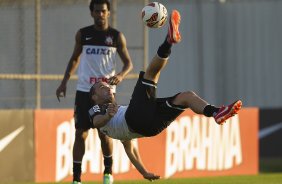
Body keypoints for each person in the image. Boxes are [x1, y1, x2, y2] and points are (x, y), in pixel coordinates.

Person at [88, 10, 242, 182]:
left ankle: (215, 112)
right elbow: (96, 122)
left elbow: (130, 151)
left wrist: (144, 172)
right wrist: (107, 115)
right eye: (101, 87)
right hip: (135, 119)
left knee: (186, 97)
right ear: (94, 97)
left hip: (149, 128)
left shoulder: (115, 121)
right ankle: (169, 41)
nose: (106, 86)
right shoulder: (99, 110)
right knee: (150, 74)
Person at [56, 0, 133, 183]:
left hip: (106, 93)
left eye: (103, 11)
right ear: (92, 13)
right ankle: (76, 178)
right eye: (97, 11)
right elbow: (74, 58)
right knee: (80, 132)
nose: (100, 14)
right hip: (84, 91)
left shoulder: (116, 37)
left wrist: (121, 75)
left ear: (108, 13)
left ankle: (107, 173)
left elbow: (128, 63)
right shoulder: (83, 34)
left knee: (104, 133)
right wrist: (64, 82)